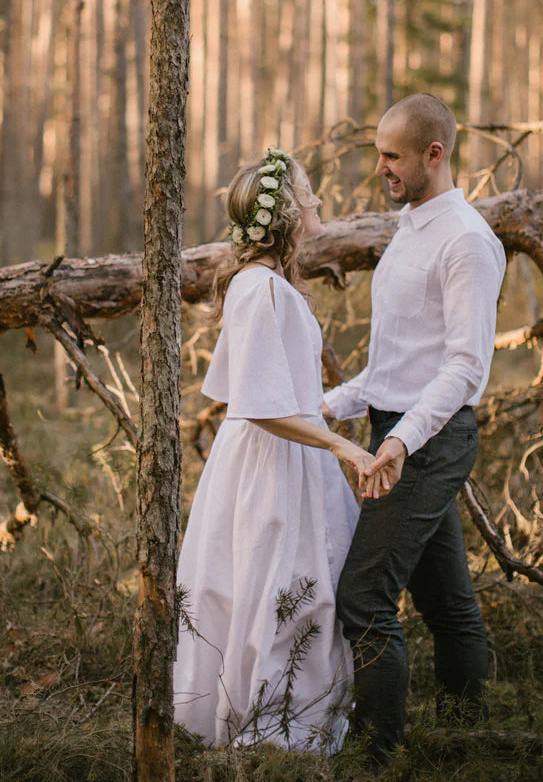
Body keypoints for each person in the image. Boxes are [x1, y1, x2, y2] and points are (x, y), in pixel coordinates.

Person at [173, 148, 390, 753]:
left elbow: (286, 391)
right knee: (281, 592)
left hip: (291, 452)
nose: (318, 199)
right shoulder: (259, 288)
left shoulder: (264, 285)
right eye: (308, 191)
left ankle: (296, 721)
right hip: (272, 460)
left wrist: (341, 410)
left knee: (298, 591)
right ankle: (273, 733)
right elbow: (261, 407)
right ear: (287, 212)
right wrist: (345, 449)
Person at [323, 94, 506, 762]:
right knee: (446, 599)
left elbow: (463, 368)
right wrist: (326, 407)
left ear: (436, 154)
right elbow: (393, 362)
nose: (382, 168)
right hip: (395, 430)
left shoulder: (466, 241)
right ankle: (464, 734)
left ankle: (378, 753)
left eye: (393, 156)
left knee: (364, 595)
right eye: (379, 153)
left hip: (431, 438)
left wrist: (399, 443)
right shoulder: (410, 225)